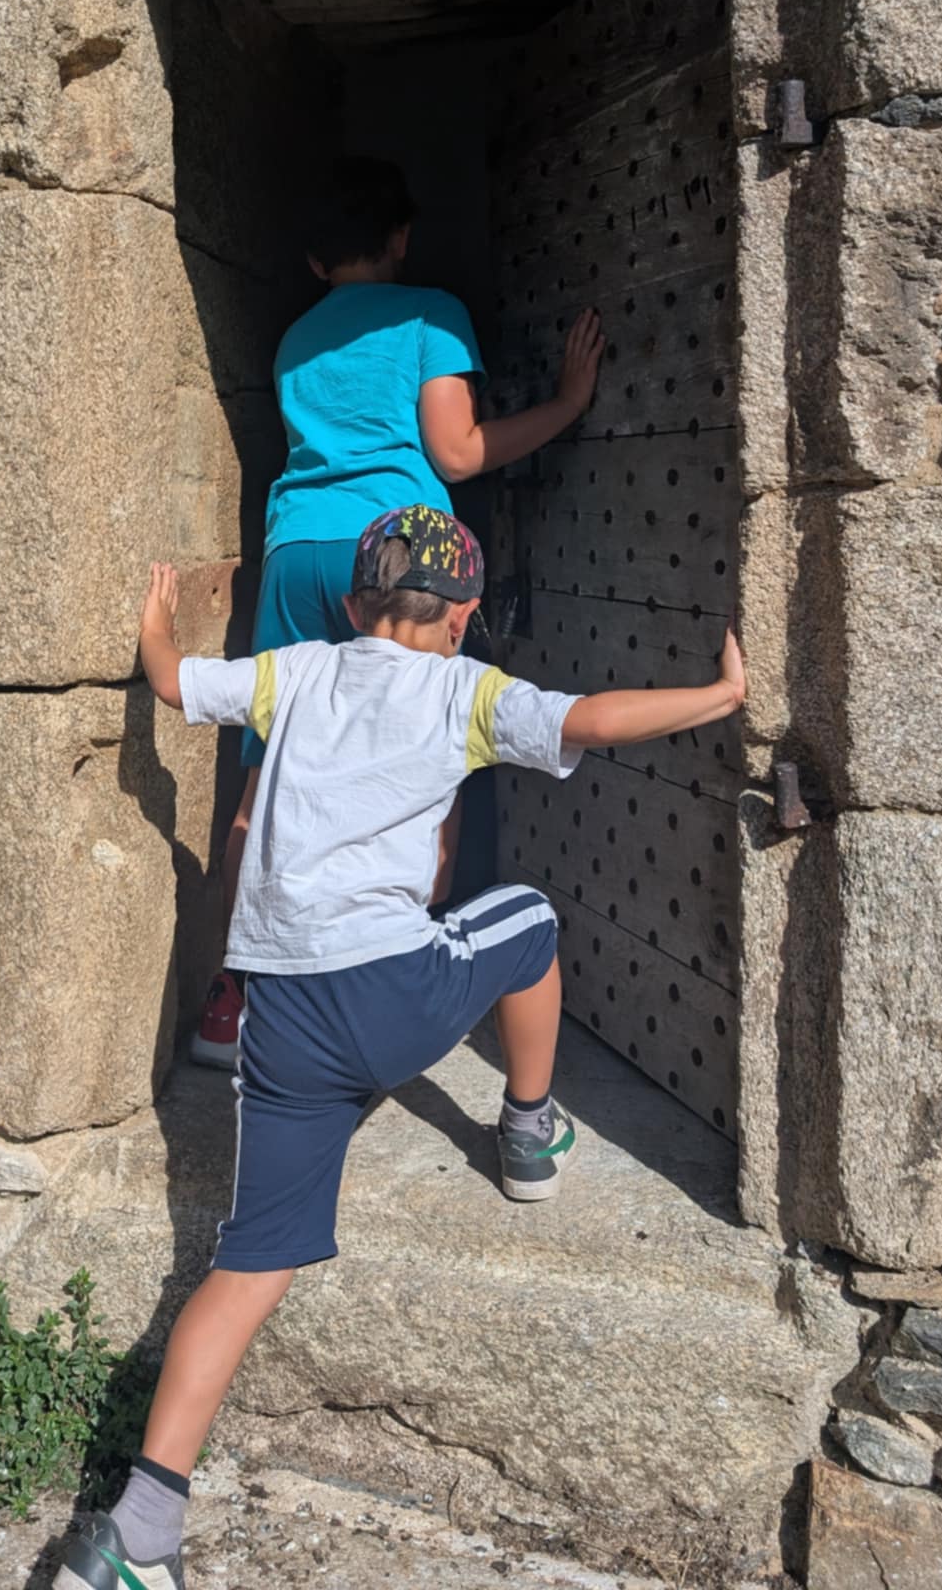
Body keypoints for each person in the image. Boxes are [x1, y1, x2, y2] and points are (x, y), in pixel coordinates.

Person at [56, 505, 746, 1590]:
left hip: (280, 1016)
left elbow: (179, 686)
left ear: (350, 602)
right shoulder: (467, 690)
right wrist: (718, 694)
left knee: (250, 1264)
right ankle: (526, 1128)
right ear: (466, 616)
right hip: (396, 994)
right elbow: (594, 719)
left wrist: (156, 622)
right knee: (525, 918)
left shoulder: (296, 672)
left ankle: (140, 1528)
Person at [191, 156, 605, 1068]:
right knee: (429, 751)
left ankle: (233, 1001)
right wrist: (569, 405)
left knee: (266, 777)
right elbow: (456, 454)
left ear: (311, 261)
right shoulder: (431, 316)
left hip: (298, 549)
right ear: (402, 238)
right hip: (398, 549)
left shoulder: (297, 338)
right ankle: (390, 985)